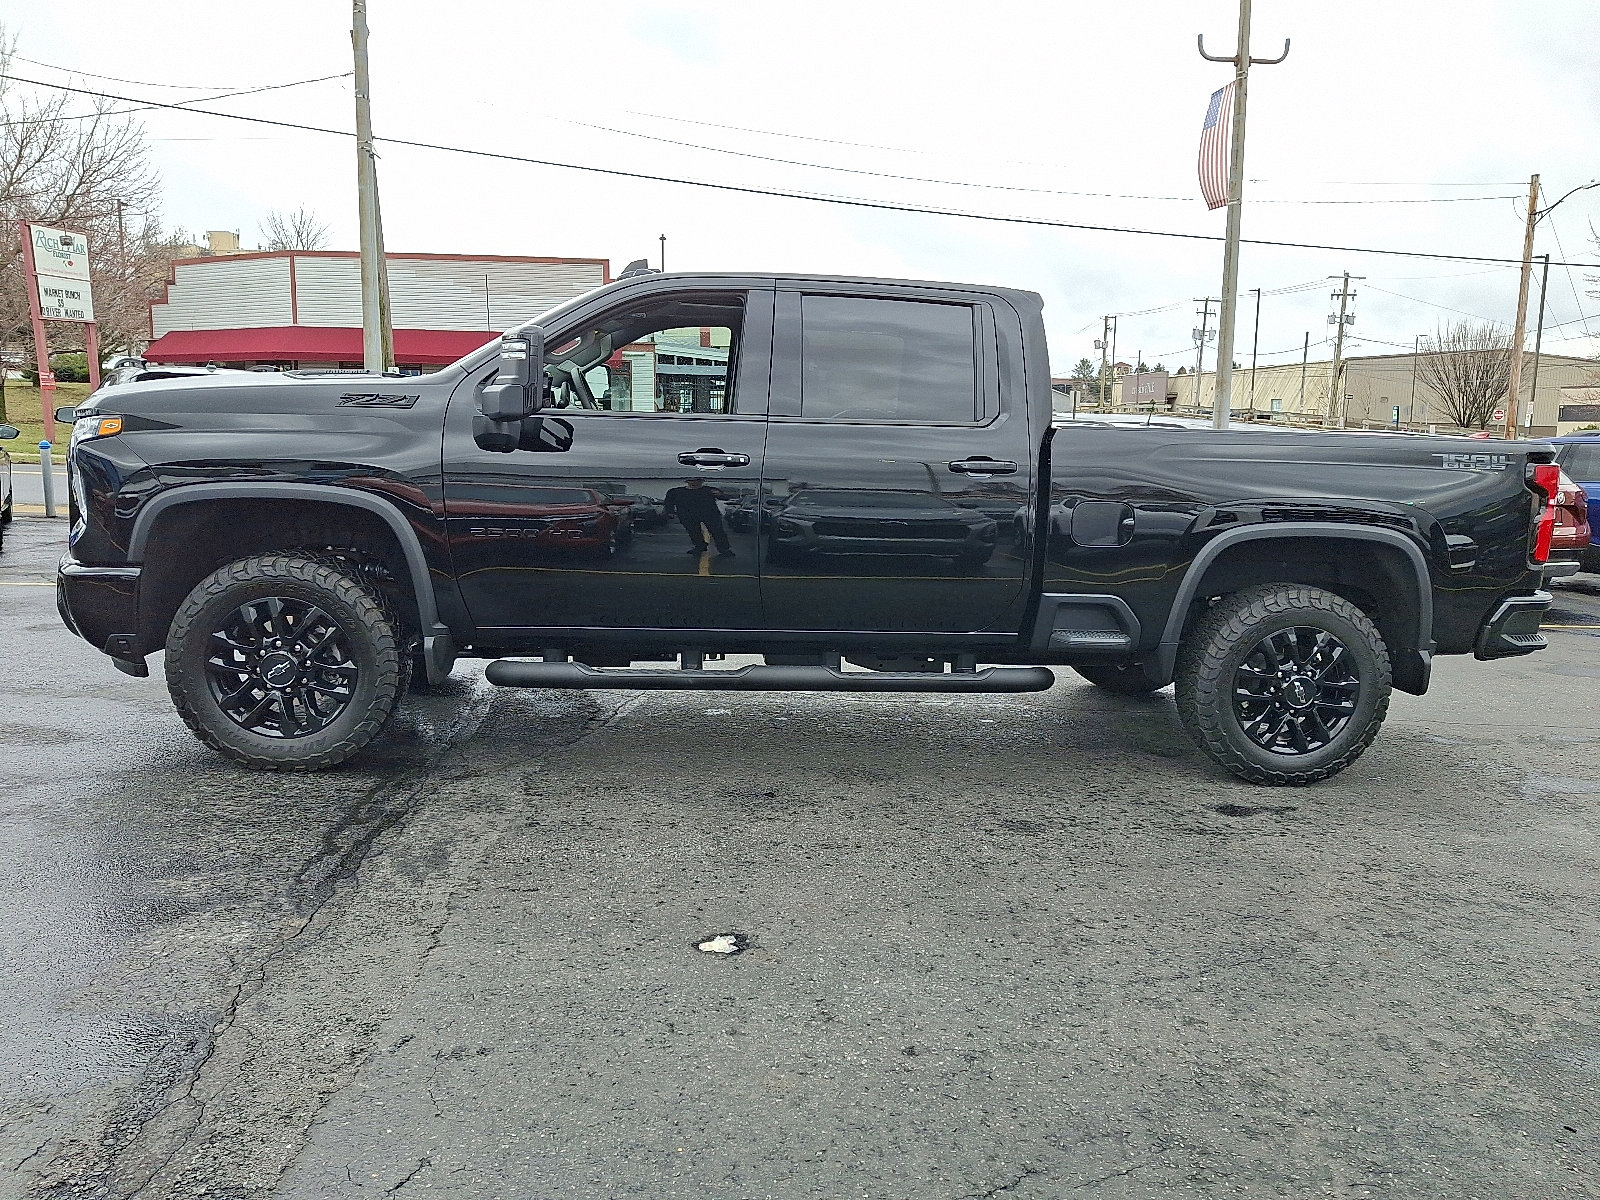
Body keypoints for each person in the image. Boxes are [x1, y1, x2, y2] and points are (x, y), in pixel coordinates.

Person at [662, 477, 734, 556]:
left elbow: (724, 498)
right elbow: (668, 502)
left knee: (717, 531)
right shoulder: (676, 492)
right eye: (692, 480)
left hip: (710, 514)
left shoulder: (709, 490)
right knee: (693, 532)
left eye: (698, 480)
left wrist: (720, 494)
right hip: (687, 515)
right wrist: (670, 512)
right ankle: (699, 546)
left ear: (702, 481)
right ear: (687, 481)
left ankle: (724, 549)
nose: (695, 482)